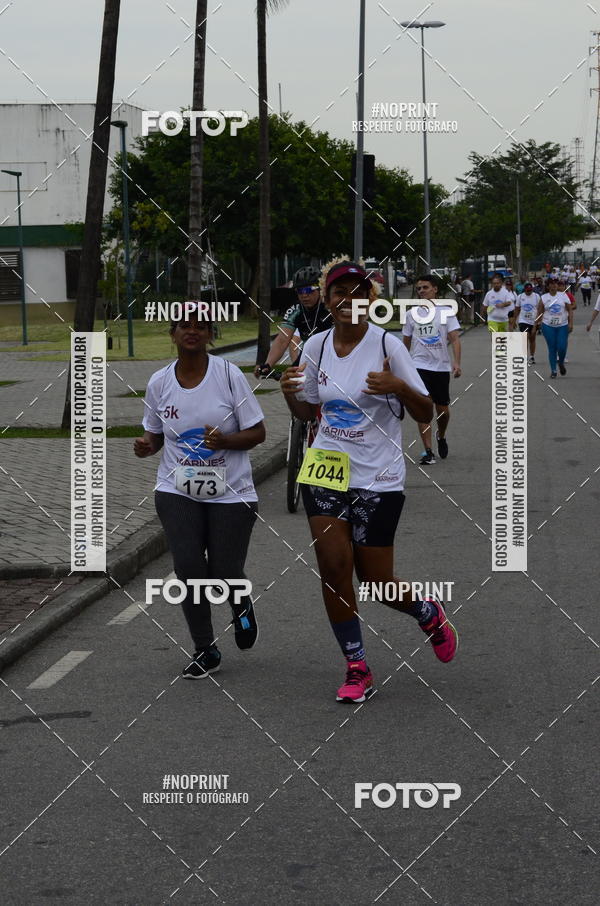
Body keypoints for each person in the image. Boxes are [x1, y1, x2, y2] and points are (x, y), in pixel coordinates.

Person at [280, 260, 458, 703]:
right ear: (326, 298)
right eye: (339, 291)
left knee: (377, 583)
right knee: (334, 569)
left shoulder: (387, 346)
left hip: (377, 476)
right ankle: (357, 666)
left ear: (372, 301)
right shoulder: (315, 347)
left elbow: (425, 412)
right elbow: (308, 413)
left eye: (359, 292)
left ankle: (427, 612)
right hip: (325, 470)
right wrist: (290, 398)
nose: (348, 300)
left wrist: (398, 386)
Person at [134, 302, 266, 678]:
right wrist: (146, 445)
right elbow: (155, 434)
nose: (192, 331)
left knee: (224, 569)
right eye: (184, 326)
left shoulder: (228, 376)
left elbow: (258, 433)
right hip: (177, 488)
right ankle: (205, 649)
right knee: (190, 569)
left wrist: (224, 441)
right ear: (172, 334)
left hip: (232, 490)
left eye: (201, 326)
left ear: (210, 335)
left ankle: (240, 604)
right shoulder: (160, 381)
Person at [402, 275, 461, 464]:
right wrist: (402, 364)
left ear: (435, 289)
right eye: (418, 289)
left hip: (441, 367)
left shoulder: (445, 312)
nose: (421, 291)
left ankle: (441, 435)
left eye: (425, 287)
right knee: (424, 408)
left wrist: (457, 363)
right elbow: (406, 341)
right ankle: (428, 451)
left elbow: (454, 339)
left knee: (442, 409)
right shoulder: (411, 314)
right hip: (418, 365)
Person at [255, 266, 331, 376]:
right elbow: (282, 339)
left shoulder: (330, 307)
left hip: (332, 356)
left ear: (320, 288)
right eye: (300, 291)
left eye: (309, 290)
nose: (304, 295)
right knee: (290, 380)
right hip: (308, 355)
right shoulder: (296, 309)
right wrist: (268, 364)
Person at [535, 278, 572, 378]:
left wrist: (570, 323)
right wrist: (537, 324)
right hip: (548, 325)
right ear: (548, 286)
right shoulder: (544, 298)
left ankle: (561, 363)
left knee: (562, 347)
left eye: (555, 283)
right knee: (552, 348)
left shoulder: (563, 295)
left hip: (562, 325)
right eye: (551, 284)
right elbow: (540, 312)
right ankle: (554, 370)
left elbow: (570, 309)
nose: (554, 285)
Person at [515, 282, 538, 364]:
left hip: (533, 321)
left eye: (530, 290)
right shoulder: (520, 297)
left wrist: (538, 322)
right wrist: (515, 320)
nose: (529, 292)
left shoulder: (536, 296)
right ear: (524, 290)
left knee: (532, 338)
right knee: (525, 337)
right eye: (527, 290)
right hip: (523, 320)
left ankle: (532, 356)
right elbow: (517, 309)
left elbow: (540, 309)